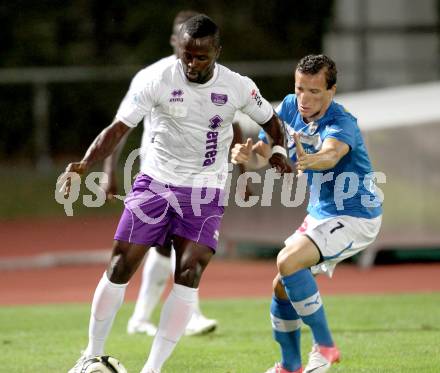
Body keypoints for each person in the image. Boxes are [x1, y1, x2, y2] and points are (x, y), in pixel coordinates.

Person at [62, 14, 290, 373]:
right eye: (186, 55)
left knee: (189, 272)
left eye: (201, 57)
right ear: (178, 49)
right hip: (155, 183)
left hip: (205, 192)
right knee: (120, 264)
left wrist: (276, 153)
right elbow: (118, 128)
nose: (192, 63)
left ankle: (152, 370)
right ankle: (90, 355)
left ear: (217, 52)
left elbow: (273, 123)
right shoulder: (157, 80)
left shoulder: (238, 86)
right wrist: (86, 163)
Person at [231, 54, 383, 373]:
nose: (305, 98)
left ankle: (326, 346)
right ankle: (290, 367)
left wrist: (308, 160)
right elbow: (266, 155)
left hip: (356, 216)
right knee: (281, 285)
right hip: (321, 214)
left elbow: (329, 155)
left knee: (287, 261)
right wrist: (248, 156)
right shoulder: (288, 108)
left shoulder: (342, 123)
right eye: (301, 88)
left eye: (315, 91)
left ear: (332, 92)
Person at [102, 10, 219, 338]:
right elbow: (119, 127)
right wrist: (109, 170)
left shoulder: (217, 81)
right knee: (168, 248)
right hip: (159, 178)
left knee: (168, 248)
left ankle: (140, 318)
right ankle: (188, 314)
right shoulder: (151, 77)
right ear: (174, 40)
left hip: (197, 181)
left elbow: (229, 125)